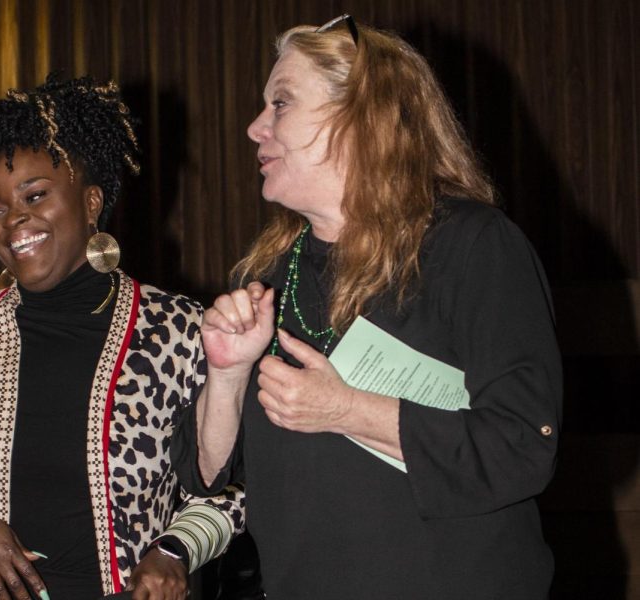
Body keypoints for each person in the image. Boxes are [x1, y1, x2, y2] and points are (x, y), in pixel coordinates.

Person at [171, 15, 562, 599]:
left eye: (281, 103)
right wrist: (226, 375)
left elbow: (524, 445)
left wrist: (348, 409)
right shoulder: (265, 278)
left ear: (361, 117)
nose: (256, 128)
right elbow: (203, 476)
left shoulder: (472, 245)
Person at [0, 75, 244, 600]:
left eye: (35, 195)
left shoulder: (176, 331)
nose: (14, 221)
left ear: (91, 203)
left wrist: (174, 550)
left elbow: (230, 487)